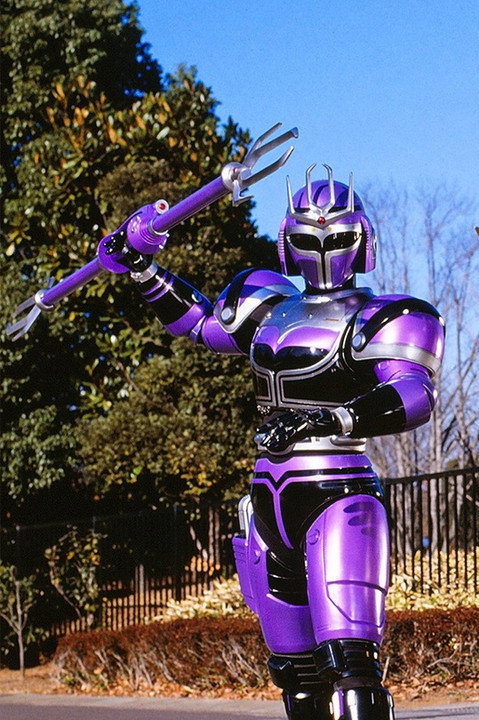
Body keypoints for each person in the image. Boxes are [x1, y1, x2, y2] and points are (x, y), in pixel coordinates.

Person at [102, 167, 443, 720]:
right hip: (269, 497)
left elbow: (413, 394)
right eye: (310, 238)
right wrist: (144, 269)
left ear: (361, 240)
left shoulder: (386, 316)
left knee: (351, 664)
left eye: (336, 238)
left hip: (338, 493)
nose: (323, 250)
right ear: (288, 241)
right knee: (296, 673)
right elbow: (202, 326)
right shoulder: (266, 304)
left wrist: (330, 418)